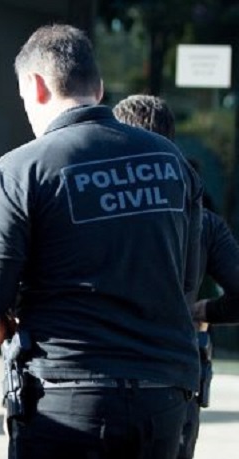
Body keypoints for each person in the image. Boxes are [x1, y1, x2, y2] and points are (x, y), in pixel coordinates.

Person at [0, 24, 202, 459]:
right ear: (99, 87)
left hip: (67, 402)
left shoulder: (21, 168)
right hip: (163, 400)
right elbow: (186, 281)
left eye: (23, 98)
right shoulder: (171, 160)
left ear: (36, 86)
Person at [114, 93, 239, 459]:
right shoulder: (203, 218)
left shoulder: (95, 209)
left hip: (99, 377)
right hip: (173, 381)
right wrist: (201, 310)